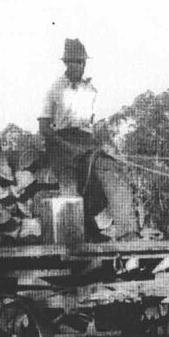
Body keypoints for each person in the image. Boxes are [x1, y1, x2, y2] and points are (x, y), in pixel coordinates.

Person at [39, 39, 148, 241]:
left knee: (112, 172)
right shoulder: (54, 90)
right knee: (70, 185)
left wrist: (112, 150)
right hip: (60, 142)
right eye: (75, 62)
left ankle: (128, 233)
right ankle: (73, 238)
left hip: (87, 142)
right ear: (67, 63)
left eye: (82, 62)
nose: (80, 67)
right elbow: (44, 128)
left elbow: (98, 127)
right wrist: (67, 147)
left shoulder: (91, 91)